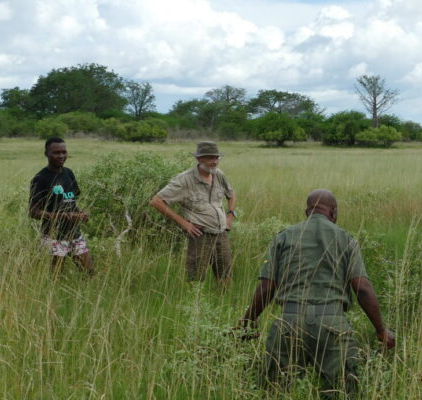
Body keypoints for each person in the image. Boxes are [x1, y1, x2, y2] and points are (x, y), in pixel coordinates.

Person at [237, 189, 396, 398]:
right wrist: (381, 330)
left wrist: (248, 322)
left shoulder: (284, 237)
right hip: (332, 323)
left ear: (307, 212)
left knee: (275, 390)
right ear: (334, 213)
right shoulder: (345, 238)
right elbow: (362, 288)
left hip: (289, 321)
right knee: (340, 390)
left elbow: (266, 288)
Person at [150, 141, 237, 284]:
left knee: (225, 275)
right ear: (199, 159)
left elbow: (231, 193)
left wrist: (230, 216)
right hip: (200, 235)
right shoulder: (184, 179)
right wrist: (184, 223)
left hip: (221, 233)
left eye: (217, 158)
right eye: (210, 158)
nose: (215, 162)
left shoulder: (218, 174)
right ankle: (195, 305)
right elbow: (156, 201)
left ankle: (223, 302)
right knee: (195, 279)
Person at [29, 137, 95, 275]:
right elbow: (33, 212)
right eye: (56, 152)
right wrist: (62, 216)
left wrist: (81, 213)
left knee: (89, 272)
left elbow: (70, 201)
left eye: (64, 152)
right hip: (54, 235)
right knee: (56, 275)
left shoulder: (68, 173)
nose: (61, 156)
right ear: (46, 153)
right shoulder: (40, 178)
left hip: (74, 232)